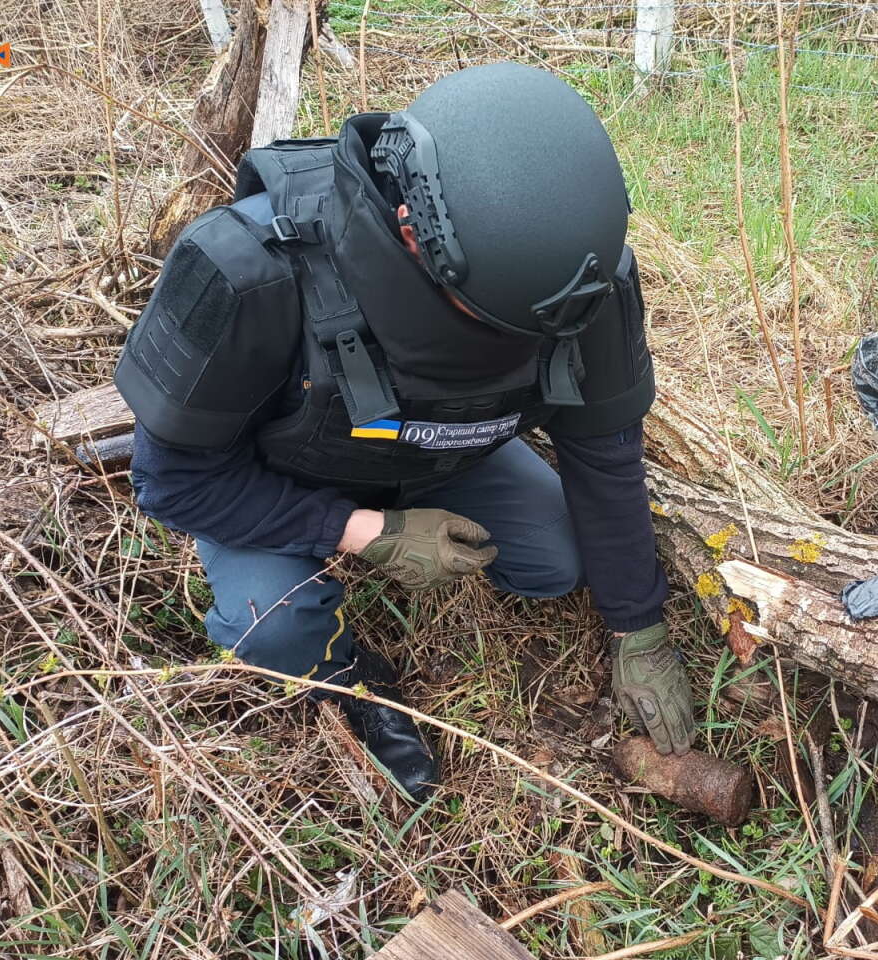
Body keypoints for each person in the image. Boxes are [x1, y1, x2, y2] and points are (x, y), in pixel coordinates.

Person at [116, 62, 696, 800]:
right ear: (412, 233)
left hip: (441, 455)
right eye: (494, 328)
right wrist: (367, 531)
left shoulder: (580, 285)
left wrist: (639, 626)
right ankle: (349, 682)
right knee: (274, 628)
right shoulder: (247, 270)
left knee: (557, 561)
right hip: (275, 472)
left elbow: (605, 455)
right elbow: (171, 482)